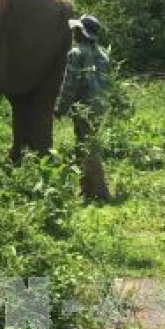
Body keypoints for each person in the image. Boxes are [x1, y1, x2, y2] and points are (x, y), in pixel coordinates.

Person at [56, 14, 112, 202]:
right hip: (101, 106)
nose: (73, 32)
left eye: (76, 30)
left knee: (88, 147)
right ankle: (86, 189)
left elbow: (69, 84)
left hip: (84, 107)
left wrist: (61, 108)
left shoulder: (76, 53)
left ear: (82, 32)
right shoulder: (103, 54)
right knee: (83, 144)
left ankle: (102, 191)